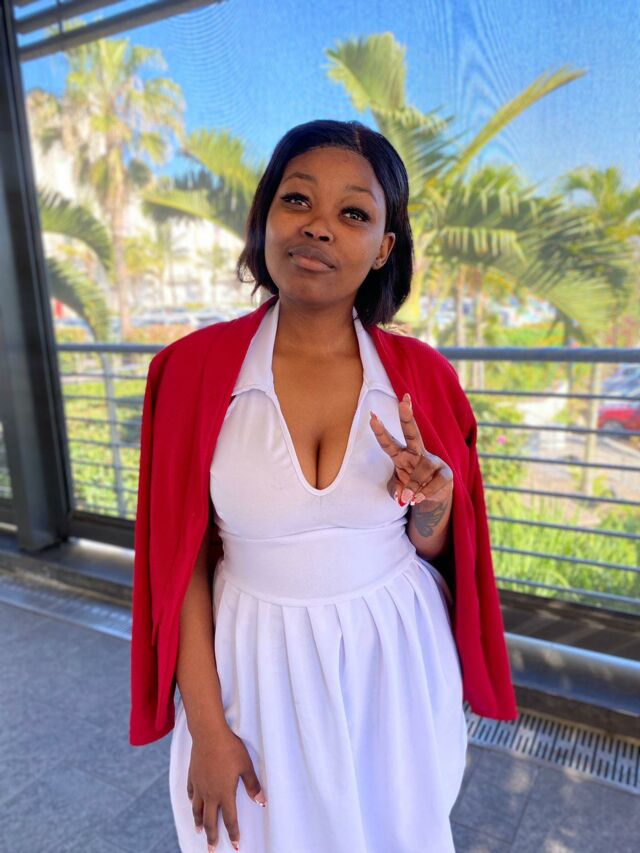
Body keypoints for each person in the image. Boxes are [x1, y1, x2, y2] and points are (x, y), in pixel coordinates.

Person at [130, 119, 517, 853]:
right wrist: (206, 727)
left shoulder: (423, 377)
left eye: (354, 213)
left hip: (394, 657)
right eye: (297, 200)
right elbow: (180, 564)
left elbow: (436, 549)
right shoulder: (188, 372)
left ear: (383, 248)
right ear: (265, 217)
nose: (318, 227)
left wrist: (434, 503)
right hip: (251, 658)